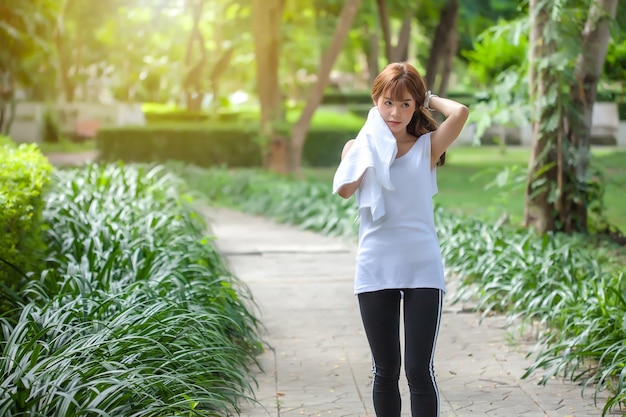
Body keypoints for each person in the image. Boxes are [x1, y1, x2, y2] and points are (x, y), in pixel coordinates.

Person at [332, 62, 469, 417]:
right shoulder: (358, 146)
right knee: (385, 372)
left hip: (422, 267)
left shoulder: (428, 147)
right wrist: (367, 147)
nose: (396, 113)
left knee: (419, 372)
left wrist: (428, 97)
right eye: (388, 103)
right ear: (375, 101)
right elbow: (345, 190)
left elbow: (461, 112)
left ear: (417, 107)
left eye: (406, 104)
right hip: (375, 266)